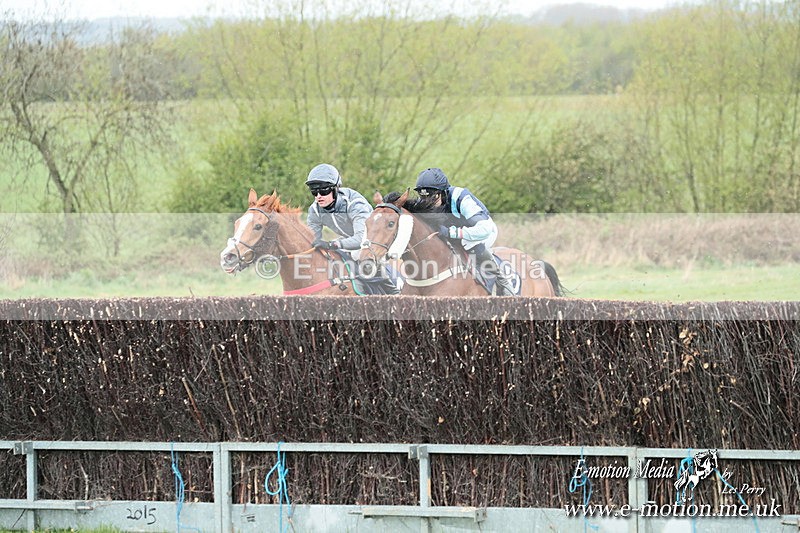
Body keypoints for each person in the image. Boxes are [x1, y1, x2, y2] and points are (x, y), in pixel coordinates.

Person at [413, 167, 515, 296]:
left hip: (481, 232)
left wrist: (452, 233)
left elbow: (485, 230)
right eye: (423, 197)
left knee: (468, 243)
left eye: (432, 197)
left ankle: (503, 282)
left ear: (442, 192)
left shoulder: (461, 198)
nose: (428, 203)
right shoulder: (426, 201)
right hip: (454, 232)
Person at [305, 163, 401, 295]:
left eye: (324, 190)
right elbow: (313, 240)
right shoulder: (315, 210)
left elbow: (361, 239)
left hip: (372, 241)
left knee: (359, 255)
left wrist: (331, 244)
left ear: (336, 188)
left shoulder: (355, 204)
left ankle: (393, 293)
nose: (318, 196)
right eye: (314, 192)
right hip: (348, 240)